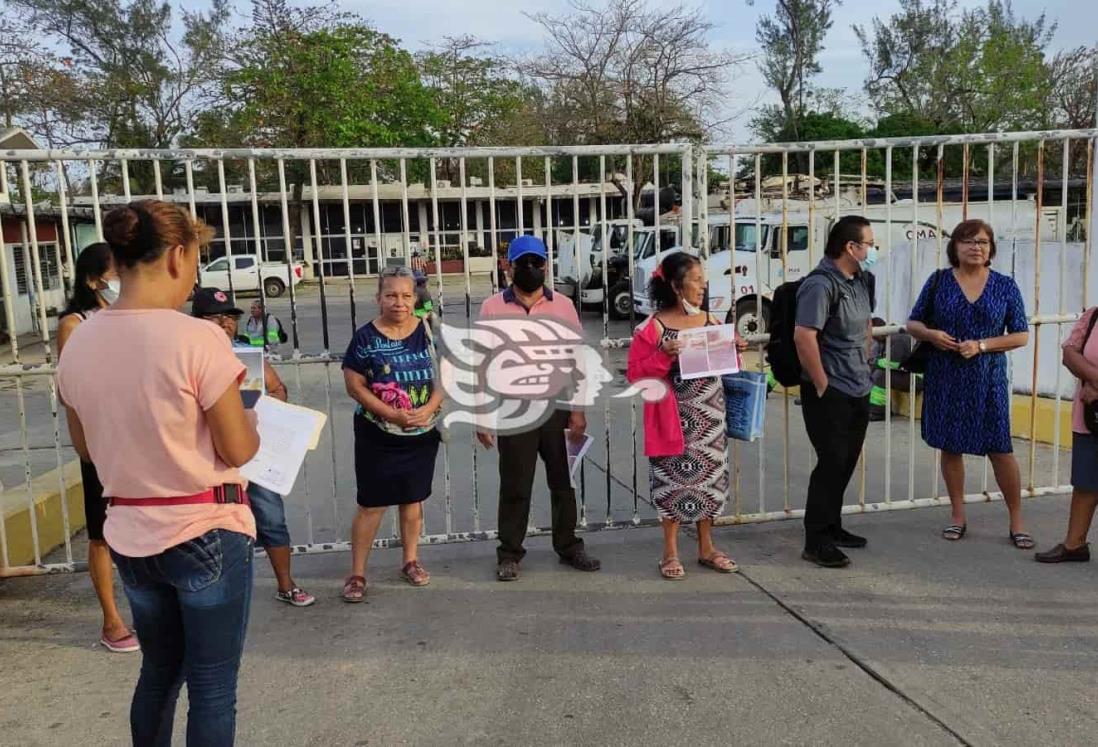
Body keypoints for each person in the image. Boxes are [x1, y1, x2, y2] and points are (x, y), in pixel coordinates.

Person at [56, 200, 260, 745]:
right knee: (213, 686)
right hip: (206, 526)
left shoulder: (78, 343)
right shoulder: (198, 339)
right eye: (197, 260)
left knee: (158, 673)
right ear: (176, 255)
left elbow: (87, 448)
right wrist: (255, 420)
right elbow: (239, 449)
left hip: (130, 533)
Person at [476, 235, 601, 581]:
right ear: (509, 266)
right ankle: (510, 553)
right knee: (515, 483)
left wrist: (578, 409)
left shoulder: (562, 305)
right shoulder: (492, 307)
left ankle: (568, 546)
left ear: (546, 265)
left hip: (558, 404)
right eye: (523, 263)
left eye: (537, 262)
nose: (530, 269)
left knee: (562, 481)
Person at [906, 219, 1032, 548]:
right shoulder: (938, 282)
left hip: (987, 378)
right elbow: (913, 322)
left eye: (983, 242)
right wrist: (932, 335)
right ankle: (958, 516)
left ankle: (1017, 521)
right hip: (946, 374)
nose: (976, 247)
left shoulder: (1005, 286)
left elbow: (1021, 335)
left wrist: (982, 345)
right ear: (955, 247)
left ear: (991, 249)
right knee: (951, 446)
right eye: (968, 241)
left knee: (1000, 449)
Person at [627, 251, 748, 579]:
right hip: (671, 422)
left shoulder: (710, 321)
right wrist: (662, 355)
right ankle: (669, 551)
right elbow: (636, 375)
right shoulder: (653, 329)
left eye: (703, 279)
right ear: (675, 285)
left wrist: (734, 349)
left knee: (709, 483)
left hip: (710, 422)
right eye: (696, 279)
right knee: (672, 486)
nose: (703, 285)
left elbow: (724, 368)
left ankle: (707, 547)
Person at [191, 288, 316, 607]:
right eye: (214, 317)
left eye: (229, 317)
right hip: (204, 458)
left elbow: (277, 389)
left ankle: (286, 584)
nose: (224, 324)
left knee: (271, 519)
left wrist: (264, 412)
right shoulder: (187, 359)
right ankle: (211, 593)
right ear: (196, 322)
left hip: (251, 454)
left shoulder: (245, 357)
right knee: (209, 527)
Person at [341, 266, 444, 601]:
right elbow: (354, 385)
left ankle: (410, 561)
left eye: (406, 295)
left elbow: (447, 377)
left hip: (421, 433)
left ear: (415, 298)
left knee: (412, 499)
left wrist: (428, 409)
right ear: (379, 298)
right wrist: (391, 414)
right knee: (371, 504)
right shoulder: (365, 337)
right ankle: (357, 574)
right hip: (378, 433)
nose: (399, 302)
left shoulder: (428, 331)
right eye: (391, 295)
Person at [56, 242, 138, 653]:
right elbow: (70, 392)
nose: (118, 278)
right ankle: (112, 619)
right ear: (92, 279)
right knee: (103, 534)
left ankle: (153, 609)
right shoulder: (75, 324)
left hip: (141, 438)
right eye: (112, 271)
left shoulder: (132, 317)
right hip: (101, 443)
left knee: (146, 523)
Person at [793, 215, 876, 568]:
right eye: (868, 243)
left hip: (858, 383)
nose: (871, 250)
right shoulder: (820, 284)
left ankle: (834, 525)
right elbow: (804, 335)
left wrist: (867, 361)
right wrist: (823, 383)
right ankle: (816, 540)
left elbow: (868, 323)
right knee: (830, 462)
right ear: (850, 247)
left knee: (846, 460)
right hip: (831, 389)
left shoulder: (860, 279)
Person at [1036, 305, 1098, 563]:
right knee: (1085, 480)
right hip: (1090, 413)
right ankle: (1074, 544)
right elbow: (1070, 353)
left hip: (1092, 399)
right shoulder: (1093, 316)